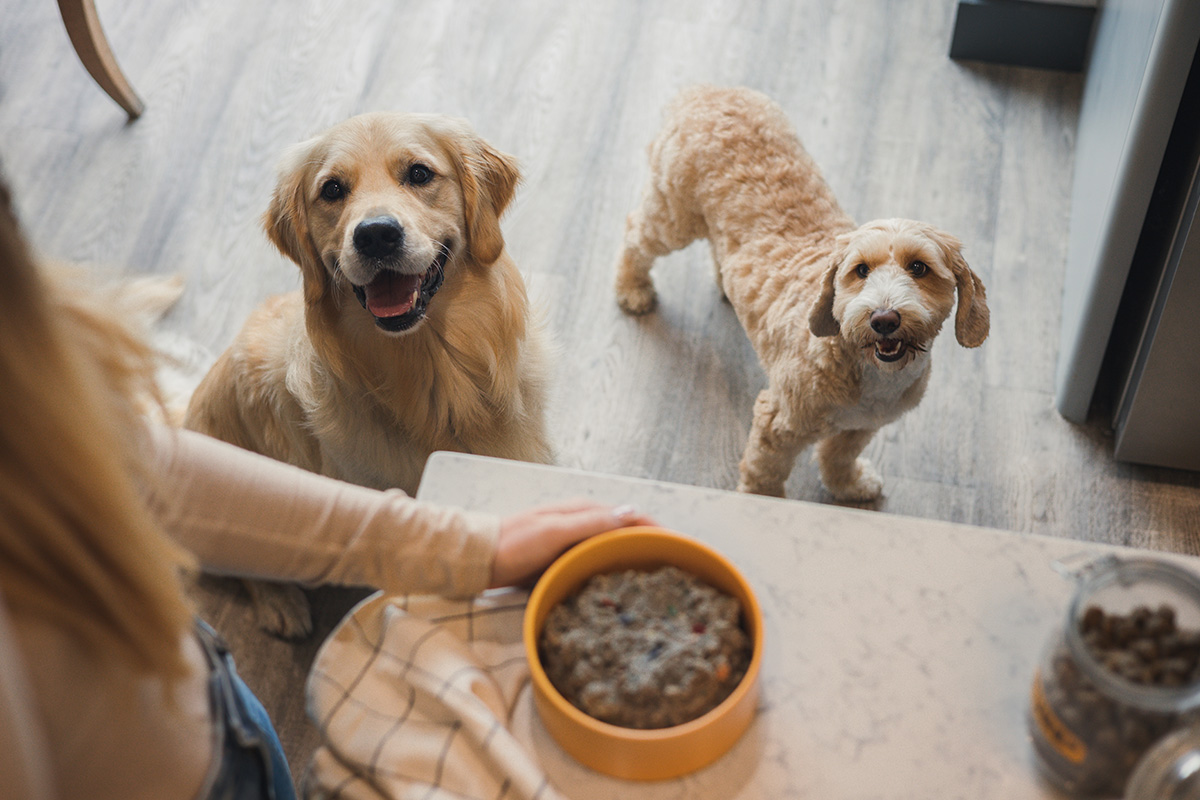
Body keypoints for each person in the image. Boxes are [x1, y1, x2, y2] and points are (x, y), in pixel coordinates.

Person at [0, 173, 654, 800]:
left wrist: (477, 548)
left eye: (418, 175)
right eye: (334, 192)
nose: (376, 218)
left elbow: (138, 466)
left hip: (219, 714)